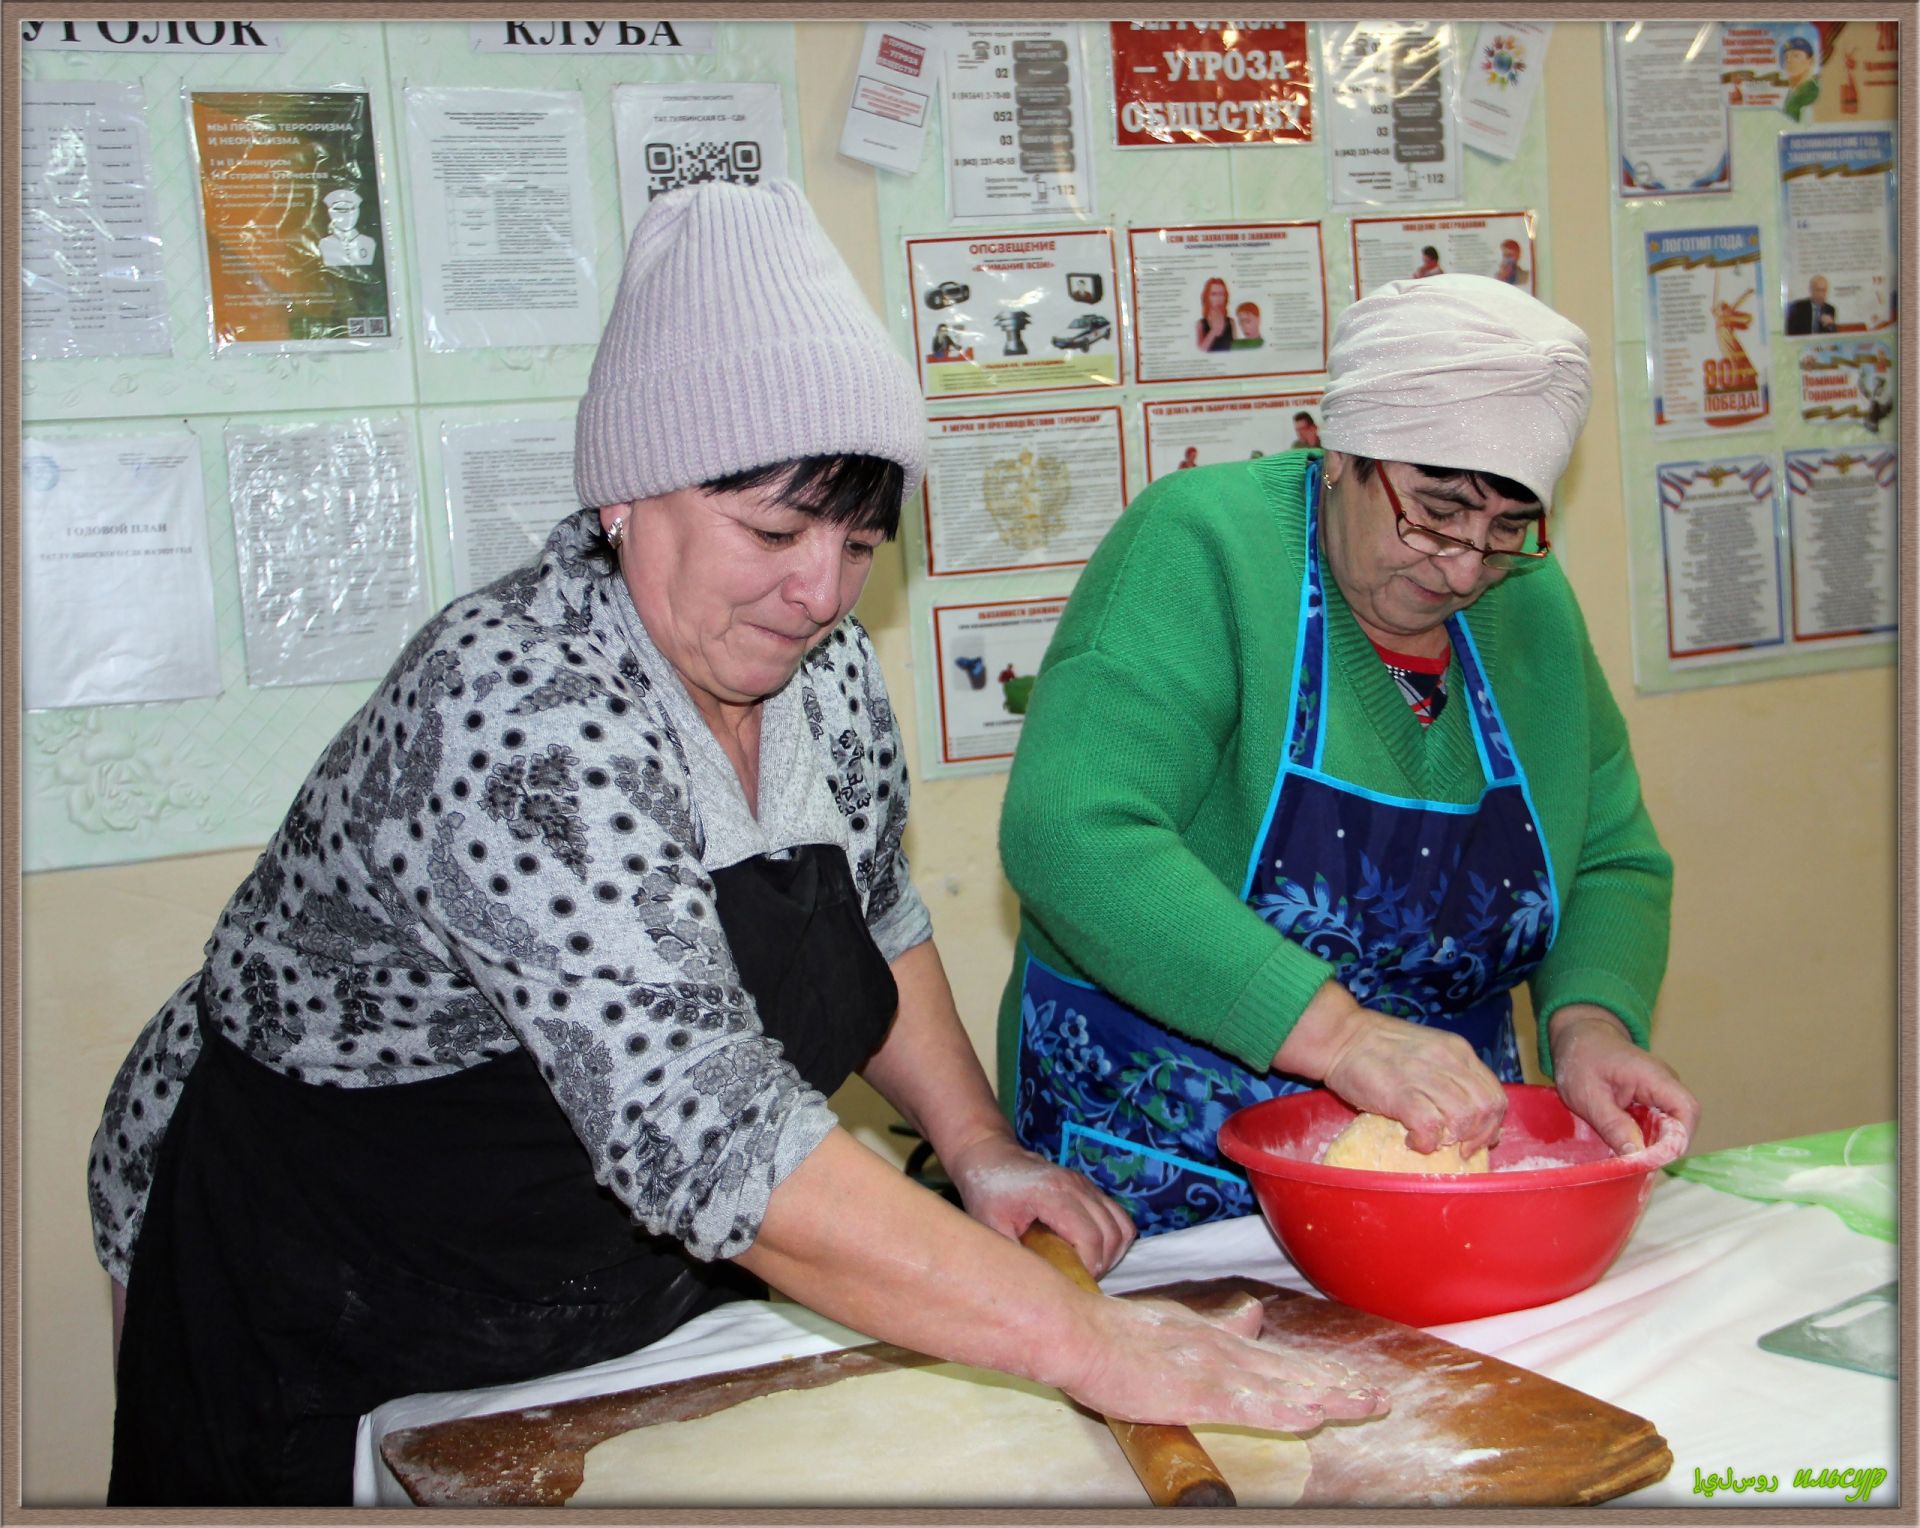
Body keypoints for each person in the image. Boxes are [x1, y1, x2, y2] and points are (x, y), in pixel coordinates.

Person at [90, 180, 1384, 1505]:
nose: (820, 592)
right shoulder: (522, 709)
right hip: (325, 1267)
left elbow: (876, 919)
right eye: (772, 531)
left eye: (859, 542)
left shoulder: (814, 676)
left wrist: (980, 1146)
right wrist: (1091, 1344)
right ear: (625, 496)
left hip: (591, 1280)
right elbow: (706, 1133)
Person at [996, 274, 1700, 1234]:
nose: (1462, 567)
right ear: (1337, 451)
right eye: (1437, 510)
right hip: (1159, 1172)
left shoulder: (1525, 605)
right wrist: (1339, 1036)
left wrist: (1589, 1023)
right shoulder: (1204, 548)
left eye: (1503, 531)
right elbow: (1070, 834)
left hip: (1429, 1170)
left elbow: (1611, 855)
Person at [317, 187, 376, 267]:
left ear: (357, 213)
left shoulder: (368, 242)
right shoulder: (324, 243)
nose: (345, 215)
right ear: (330, 214)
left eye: (350, 210)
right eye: (339, 210)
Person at [1781, 34, 1820, 120]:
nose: (1789, 61)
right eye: (1786, 57)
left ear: (1810, 61)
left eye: (1796, 56)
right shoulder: (1794, 91)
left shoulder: (1811, 91)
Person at [1196, 276, 1235, 351]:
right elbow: (1199, 352)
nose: (1218, 298)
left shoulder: (1231, 322)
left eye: (1221, 294)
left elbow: (1236, 351)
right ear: (1207, 297)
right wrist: (1213, 332)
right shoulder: (1200, 324)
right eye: (1214, 294)